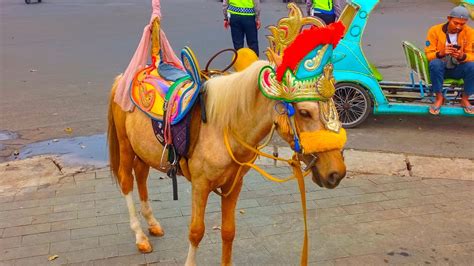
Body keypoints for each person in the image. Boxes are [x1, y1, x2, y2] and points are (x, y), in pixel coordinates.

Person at [425, 5, 474, 115]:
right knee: (435, 63)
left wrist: (462, 56)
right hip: (440, 70)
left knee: (473, 66)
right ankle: (439, 98)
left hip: (458, 68)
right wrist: (441, 53)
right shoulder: (434, 31)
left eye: (462, 24)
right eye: (455, 23)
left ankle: (465, 99)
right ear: (449, 18)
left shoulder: (470, 33)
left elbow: (472, 55)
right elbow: (429, 55)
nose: (458, 27)